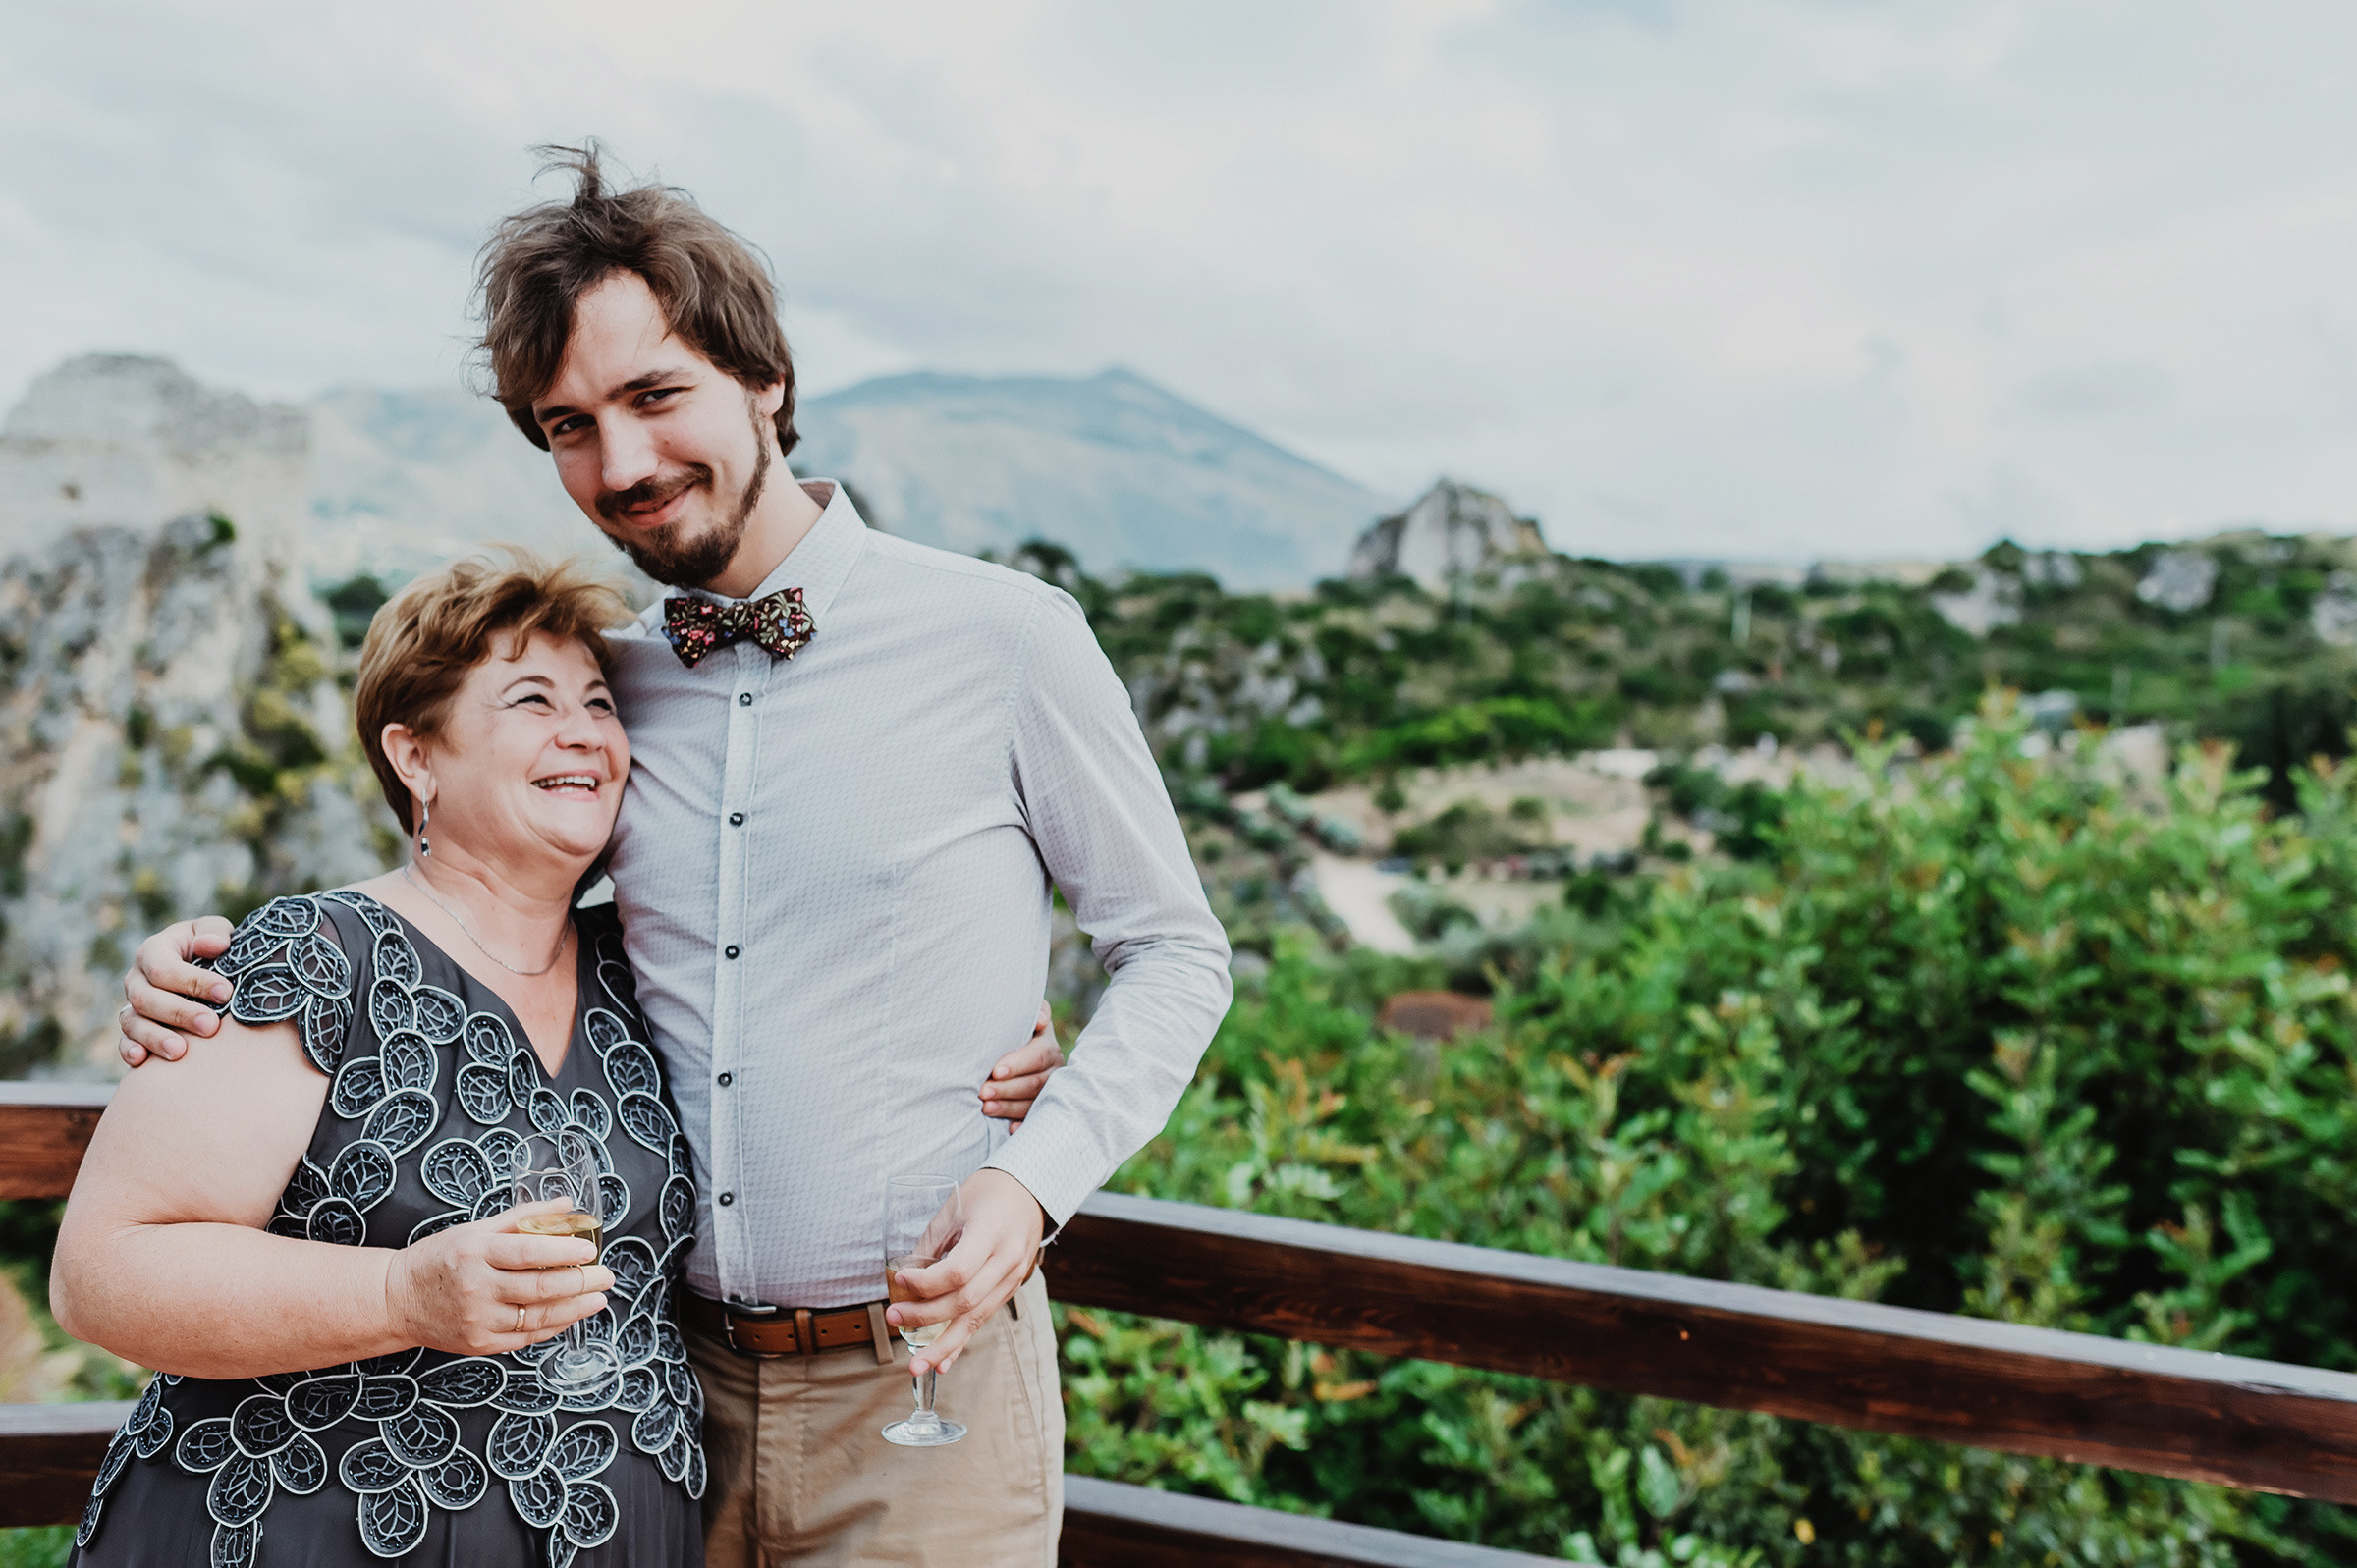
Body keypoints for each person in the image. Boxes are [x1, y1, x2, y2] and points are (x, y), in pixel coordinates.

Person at [119, 144, 1234, 1567]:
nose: (625, 467)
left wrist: (1038, 1173)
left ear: (764, 378)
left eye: (655, 397)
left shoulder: (1007, 638)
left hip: (926, 1396)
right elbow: (486, 915)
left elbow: (1175, 949)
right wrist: (217, 978)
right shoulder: (610, 693)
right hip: (649, 1404)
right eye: (570, 426)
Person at [58, 557, 698, 1567]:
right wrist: (405, 1294)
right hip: (302, 1533)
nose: (584, 730)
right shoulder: (314, 956)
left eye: (599, 703)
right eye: (533, 700)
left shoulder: (650, 963)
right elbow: (102, 1275)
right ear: (416, 756)